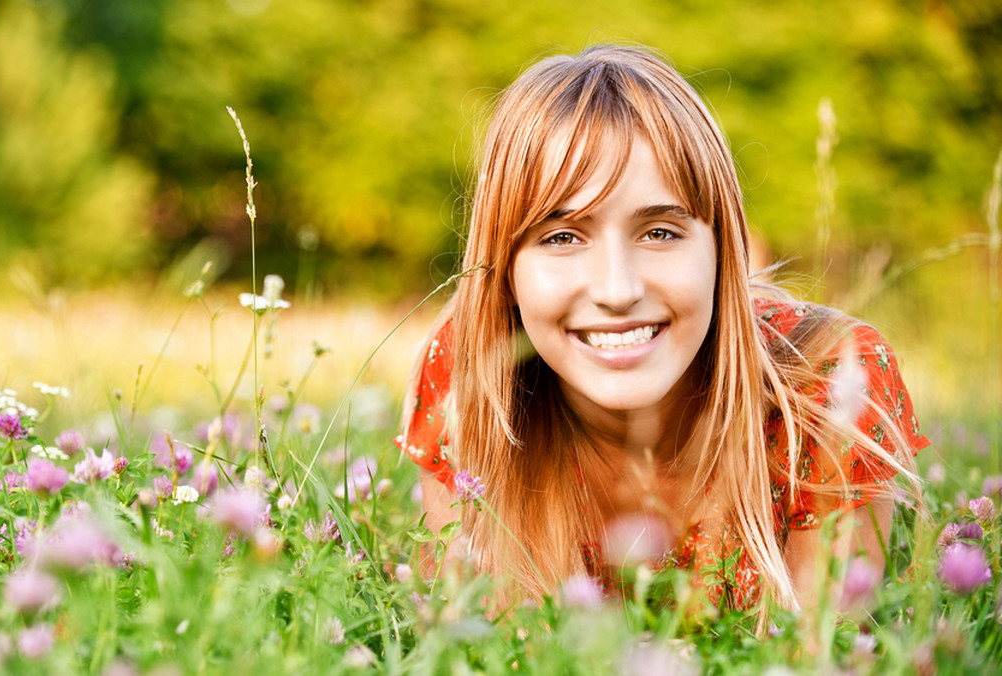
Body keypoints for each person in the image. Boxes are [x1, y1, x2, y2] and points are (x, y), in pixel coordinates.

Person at [395, 44, 927, 618]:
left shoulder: (829, 383)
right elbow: (458, 647)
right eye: (562, 237)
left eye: (660, 233)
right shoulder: (473, 373)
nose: (618, 290)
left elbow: (831, 650)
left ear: (724, 249)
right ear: (505, 269)